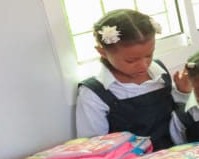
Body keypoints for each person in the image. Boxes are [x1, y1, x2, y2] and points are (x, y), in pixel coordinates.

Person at [76, 9, 177, 150]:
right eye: (131, 60)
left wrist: (183, 93)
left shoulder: (160, 74)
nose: (143, 65)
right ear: (103, 52)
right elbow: (94, 148)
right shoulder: (94, 94)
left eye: (149, 55)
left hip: (177, 156)